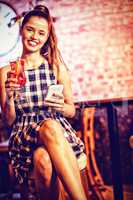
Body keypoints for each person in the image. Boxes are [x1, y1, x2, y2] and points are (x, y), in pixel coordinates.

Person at [0, 5, 87, 200]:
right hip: (24, 136)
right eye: (30, 29)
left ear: (47, 37)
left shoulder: (56, 68)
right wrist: (11, 97)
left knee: (43, 159)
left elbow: (72, 110)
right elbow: (8, 120)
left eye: (41, 33)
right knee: (50, 126)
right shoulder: (6, 72)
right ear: (22, 29)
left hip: (58, 134)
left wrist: (60, 107)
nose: (34, 36)